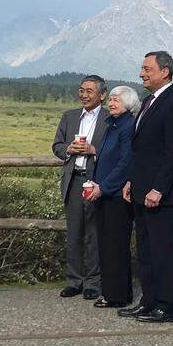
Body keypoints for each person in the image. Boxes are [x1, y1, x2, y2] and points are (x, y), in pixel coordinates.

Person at [118, 51, 173, 323]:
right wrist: (131, 181)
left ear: (165, 72)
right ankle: (148, 302)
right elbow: (141, 151)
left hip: (161, 194)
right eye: (142, 68)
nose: (141, 73)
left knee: (163, 251)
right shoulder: (150, 101)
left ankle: (168, 307)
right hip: (140, 189)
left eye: (147, 68)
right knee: (146, 251)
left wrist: (158, 189)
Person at [52, 75, 109, 300]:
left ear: (102, 95)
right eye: (81, 90)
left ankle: (94, 283)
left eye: (89, 91)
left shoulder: (110, 118)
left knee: (94, 234)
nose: (83, 95)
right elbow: (56, 146)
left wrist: (94, 151)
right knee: (74, 234)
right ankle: (74, 281)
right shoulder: (69, 117)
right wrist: (69, 149)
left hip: (96, 182)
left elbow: (118, 149)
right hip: (74, 181)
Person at [84, 86, 140, 308]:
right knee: (106, 245)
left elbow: (126, 162)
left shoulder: (127, 126)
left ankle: (116, 296)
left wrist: (103, 187)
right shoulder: (113, 124)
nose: (111, 103)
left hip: (116, 196)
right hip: (105, 191)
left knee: (115, 246)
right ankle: (112, 292)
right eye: (112, 99)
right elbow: (106, 156)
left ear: (128, 104)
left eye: (116, 100)